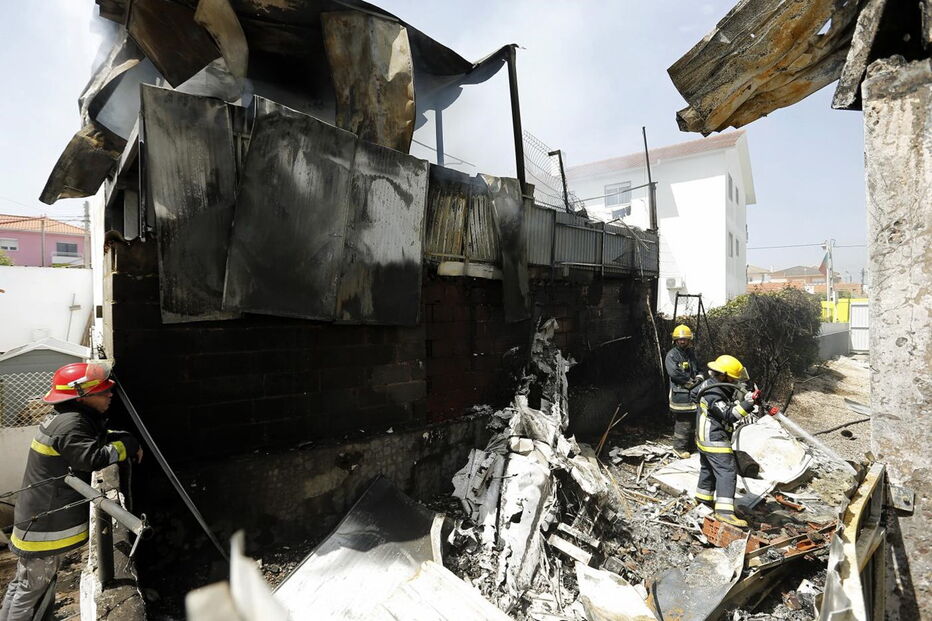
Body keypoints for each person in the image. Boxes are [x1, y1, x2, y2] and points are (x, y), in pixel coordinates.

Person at [1, 362, 142, 621]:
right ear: (82, 396)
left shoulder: (68, 418)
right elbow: (92, 458)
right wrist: (127, 445)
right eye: (103, 392)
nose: (110, 395)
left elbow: (93, 437)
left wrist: (118, 437)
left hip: (37, 516)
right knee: (31, 590)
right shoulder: (71, 424)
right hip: (43, 524)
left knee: (25, 586)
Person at [690, 354, 759, 528]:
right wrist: (748, 404)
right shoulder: (714, 393)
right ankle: (725, 512)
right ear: (723, 375)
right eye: (733, 379)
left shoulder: (709, 385)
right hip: (714, 438)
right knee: (727, 471)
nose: (736, 383)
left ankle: (703, 499)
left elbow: (693, 394)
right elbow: (729, 415)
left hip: (703, 437)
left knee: (708, 469)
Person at [664, 324, 702, 458]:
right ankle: (679, 449)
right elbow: (674, 373)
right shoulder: (672, 355)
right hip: (680, 394)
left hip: (692, 394)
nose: (682, 341)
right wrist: (689, 382)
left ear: (689, 340)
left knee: (692, 421)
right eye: (680, 339)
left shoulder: (690, 354)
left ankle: (690, 446)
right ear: (675, 340)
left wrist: (699, 378)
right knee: (683, 422)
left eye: (685, 339)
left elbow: (697, 368)